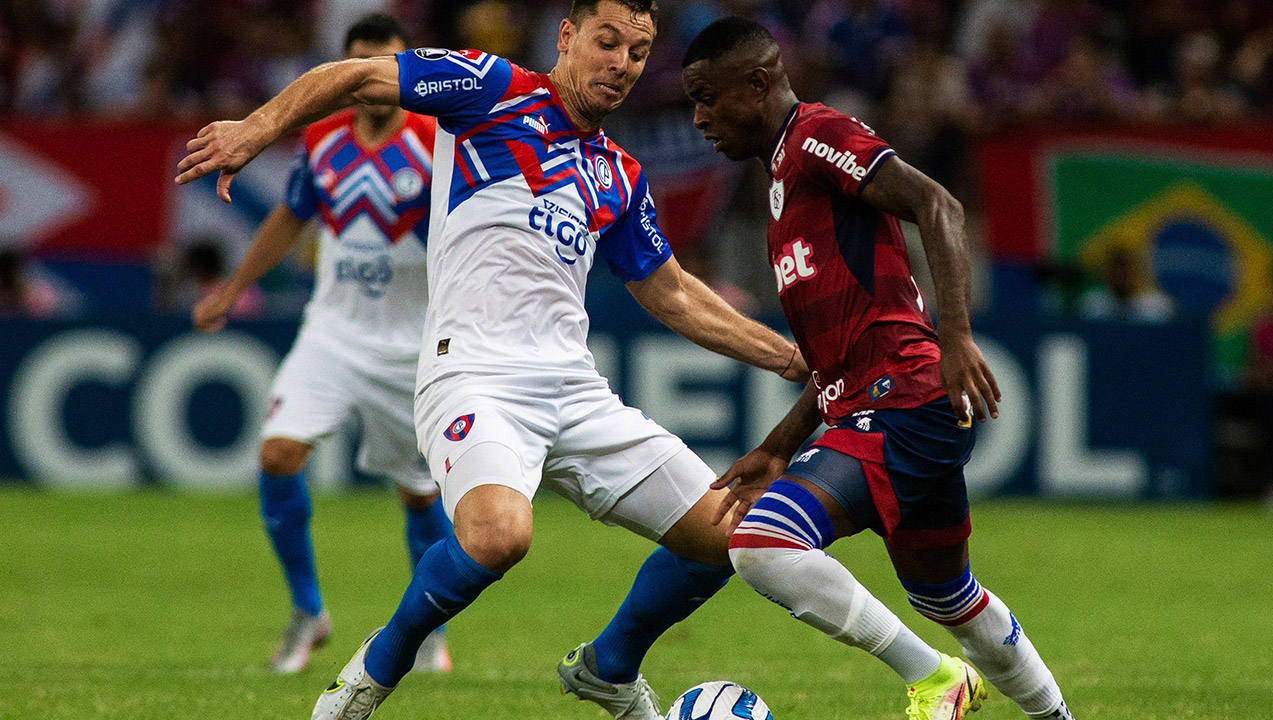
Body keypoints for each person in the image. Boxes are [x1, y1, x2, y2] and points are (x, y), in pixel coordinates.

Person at [176, 2, 810, 719]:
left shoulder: (621, 174)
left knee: (735, 537)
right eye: (607, 42)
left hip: (573, 388)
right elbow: (352, 76)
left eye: (637, 52)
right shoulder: (491, 87)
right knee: (500, 535)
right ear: (567, 37)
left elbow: (673, 296)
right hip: (472, 371)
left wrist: (789, 356)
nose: (621, 64)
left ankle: (609, 666)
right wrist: (254, 130)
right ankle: (369, 675)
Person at [681, 17, 1075, 720]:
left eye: (707, 97)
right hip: (884, 400)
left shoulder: (816, 136)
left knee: (763, 545)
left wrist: (953, 333)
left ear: (758, 83)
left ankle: (936, 678)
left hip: (903, 397)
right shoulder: (779, 177)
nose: (700, 118)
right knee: (947, 597)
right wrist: (779, 445)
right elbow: (837, 356)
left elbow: (938, 203)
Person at [190, 14, 454, 675]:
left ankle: (429, 629)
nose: (372, 82)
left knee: (418, 496)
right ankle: (309, 612)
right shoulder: (324, 139)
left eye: (386, 66)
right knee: (278, 453)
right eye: (361, 65)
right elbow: (291, 217)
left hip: (410, 344)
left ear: (404, 71)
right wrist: (232, 289)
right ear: (344, 71)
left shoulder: (441, 142)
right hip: (332, 330)